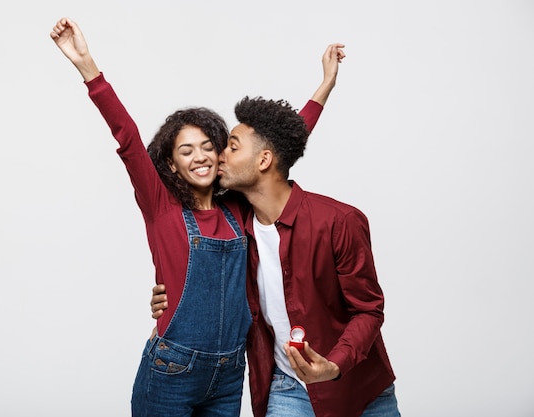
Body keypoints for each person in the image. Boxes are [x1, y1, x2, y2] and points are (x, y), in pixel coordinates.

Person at [50, 17, 343, 416]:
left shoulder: (238, 208)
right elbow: (128, 137)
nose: (200, 156)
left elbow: (278, 149)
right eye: (186, 151)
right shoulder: (161, 207)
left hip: (227, 375)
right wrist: (87, 66)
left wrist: (324, 87)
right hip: (172, 370)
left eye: (208, 146)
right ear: (170, 165)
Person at [152, 67, 400, 417]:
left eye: (231, 148)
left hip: (358, 388)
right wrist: (172, 296)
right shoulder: (236, 224)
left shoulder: (339, 221)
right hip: (286, 388)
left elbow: (369, 310)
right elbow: (277, 145)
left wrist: (333, 366)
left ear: (264, 160)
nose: (218, 156)